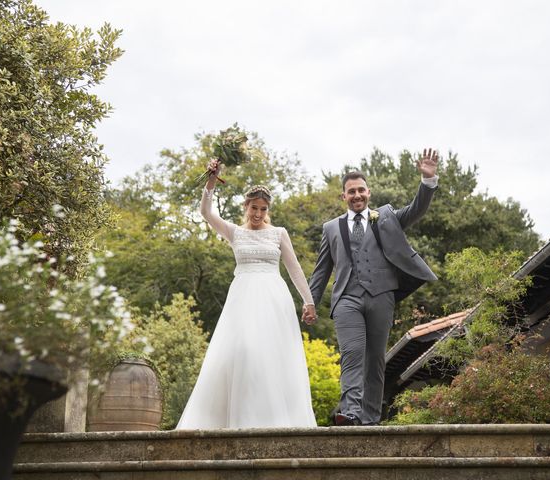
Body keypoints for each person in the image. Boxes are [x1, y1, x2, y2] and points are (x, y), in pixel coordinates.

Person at [176, 159, 317, 429]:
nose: (258, 213)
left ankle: (274, 421)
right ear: (246, 207)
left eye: (263, 209)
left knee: (271, 356)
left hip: (274, 300)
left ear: (268, 210)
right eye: (254, 208)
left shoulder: (279, 233)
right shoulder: (235, 233)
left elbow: (295, 269)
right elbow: (206, 212)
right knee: (244, 351)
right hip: (242, 301)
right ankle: (240, 419)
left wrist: (308, 301)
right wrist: (212, 180)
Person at [304, 148, 439, 426]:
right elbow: (320, 272)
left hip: (381, 297)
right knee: (352, 353)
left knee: (375, 359)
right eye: (351, 191)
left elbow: (417, 210)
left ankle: (370, 418)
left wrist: (427, 182)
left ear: (369, 193)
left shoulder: (386, 217)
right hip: (346, 300)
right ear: (343, 196)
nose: (357, 195)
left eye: (361, 190)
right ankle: (350, 412)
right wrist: (310, 303)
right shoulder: (331, 229)